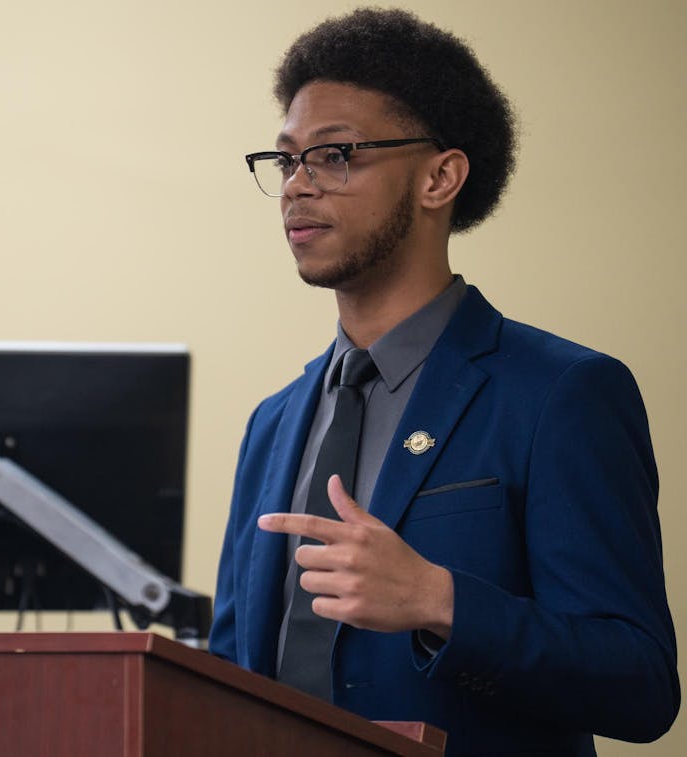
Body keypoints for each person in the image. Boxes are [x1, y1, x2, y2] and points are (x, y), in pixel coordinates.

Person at [209, 8, 678, 756]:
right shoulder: (273, 422)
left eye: (334, 156)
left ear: (439, 176)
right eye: (287, 159)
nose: (297, 186)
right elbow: (230, 671)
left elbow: (640, 681)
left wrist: (440, 601)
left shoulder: (563, 393)